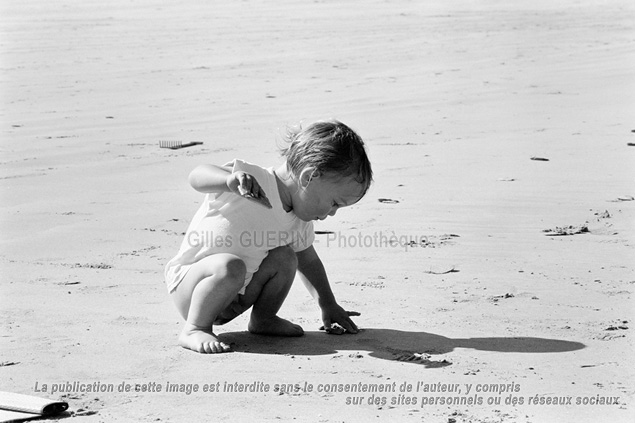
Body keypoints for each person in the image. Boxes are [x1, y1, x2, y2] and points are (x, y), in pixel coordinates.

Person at [164, 120, 373, 353]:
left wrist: (328, 304)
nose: (332, 213)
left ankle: (263, 319)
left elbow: (310, 262)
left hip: (234, 298)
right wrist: (228, 181)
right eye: (334, 203)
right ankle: (194, 329)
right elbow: (196, 175)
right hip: (191, 287)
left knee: (286, 257)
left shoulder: (299, 221)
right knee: (230, 265)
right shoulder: (252, 180)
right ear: (308, 177)